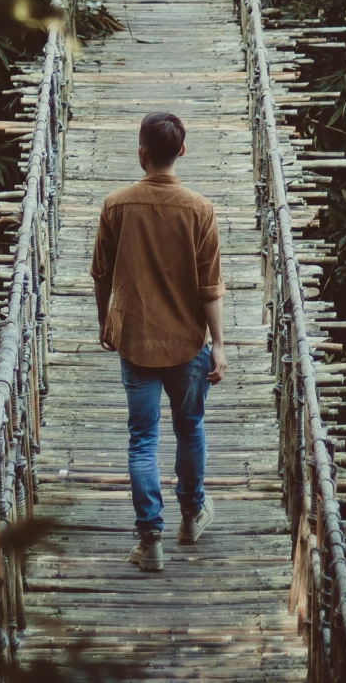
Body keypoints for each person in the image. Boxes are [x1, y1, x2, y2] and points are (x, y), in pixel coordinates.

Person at [90, 110, 226, 573]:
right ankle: (191, 517)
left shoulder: (115, 205)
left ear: (141, 153)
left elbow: (101, 273)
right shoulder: (200, 209)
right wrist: (220, 345)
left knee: (142, 440)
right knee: (190, 428)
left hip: (136, 340)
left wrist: (104, 321)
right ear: (182, 151)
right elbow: (211, 288)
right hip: (189, 342)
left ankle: (151, 542)